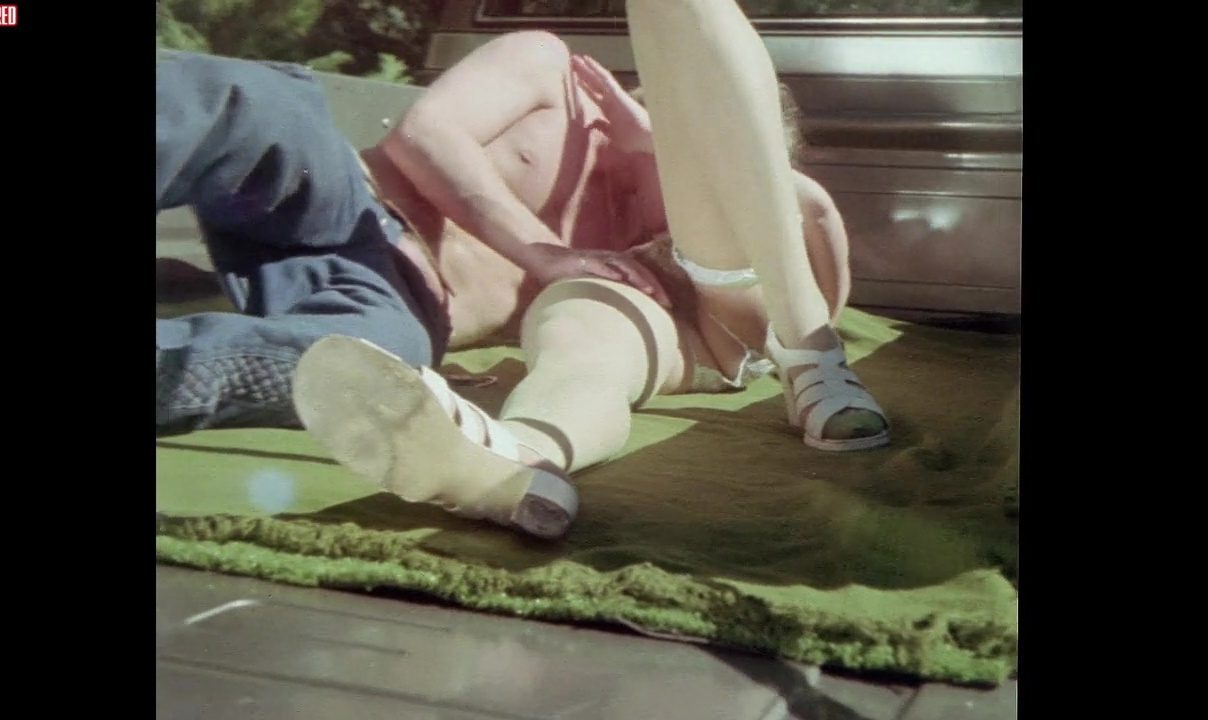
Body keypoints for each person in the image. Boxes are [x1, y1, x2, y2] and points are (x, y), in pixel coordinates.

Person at [156, 0, 888, 541]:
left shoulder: (658, 260)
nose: (713, 203)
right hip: (347, 199)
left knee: (359, 361)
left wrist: (685, 168)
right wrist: (544, 247)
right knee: (262, 105)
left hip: (396, 301)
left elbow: (779, 292)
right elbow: (422, 135)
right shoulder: (550, 70)